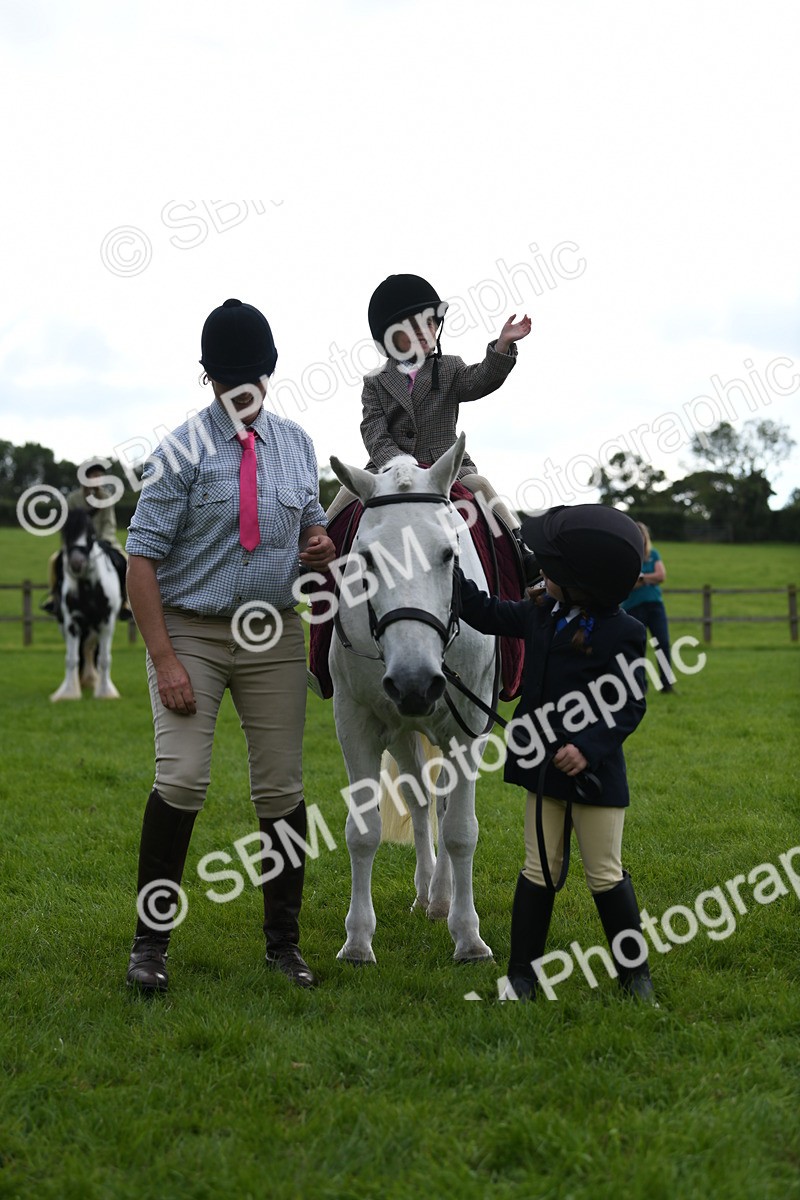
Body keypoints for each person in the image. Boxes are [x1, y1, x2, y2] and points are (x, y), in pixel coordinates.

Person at [124, 298, 335, 994]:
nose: (244, 387)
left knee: (282, 787)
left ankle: (284, 947)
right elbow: (141, 559)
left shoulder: (297, 444)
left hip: (273, 631)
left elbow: (311, 527)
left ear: (269, 373)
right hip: (193, 629)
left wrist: (318, 543)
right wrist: (165, 660)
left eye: (253, 375)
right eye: (231, 377)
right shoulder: (178, 452)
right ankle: (149, 946)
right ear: (209, 376)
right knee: (183, 778)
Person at [458, 505, 656, 1003]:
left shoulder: (625, 633)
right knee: (539, 869)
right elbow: (485, 612)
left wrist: (586, 749)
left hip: (595, 777)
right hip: (541, 770)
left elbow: (630, 704)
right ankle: (521, 976)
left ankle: (636, 978)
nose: (541, 572)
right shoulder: (540, 614)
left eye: (551, 567)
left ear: (580, 582)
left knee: (604, 873)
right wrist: (446, 564)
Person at [326, 273, 535, 572]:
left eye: (430, 323)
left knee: (480, 485)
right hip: (388, 467)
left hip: (445, 466)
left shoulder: (450, 367)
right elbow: (373, 432)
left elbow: (481, 380)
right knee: (346, 494)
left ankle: (519, 548)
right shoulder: (375, 382)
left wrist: (502, 346)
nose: (424, 331)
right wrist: (400, 463)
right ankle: (316, 552)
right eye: (412, 326)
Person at [41, 461, 129, 617]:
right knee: (54, 561)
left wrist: (104, 540)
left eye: (100, 476)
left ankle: (125, 601)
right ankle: (53, 597)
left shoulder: (106, 497)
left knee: (126, 561)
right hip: (78, 544)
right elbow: (67, 525)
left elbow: (109, 523)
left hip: (104, 542)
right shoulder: (72, 499)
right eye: (95, 476)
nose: (98, 479)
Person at [621, 521, 674, 692]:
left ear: (646, 537)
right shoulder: (627, 557)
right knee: (638, 646)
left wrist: (642, 578)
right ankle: (640, 684)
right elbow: (628, 583)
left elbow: (661, 576)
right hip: (634, 607)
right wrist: (649, 579)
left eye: (642, 534)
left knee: (662, 643)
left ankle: (666, 683)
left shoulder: (653, 554)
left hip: (655, 606)